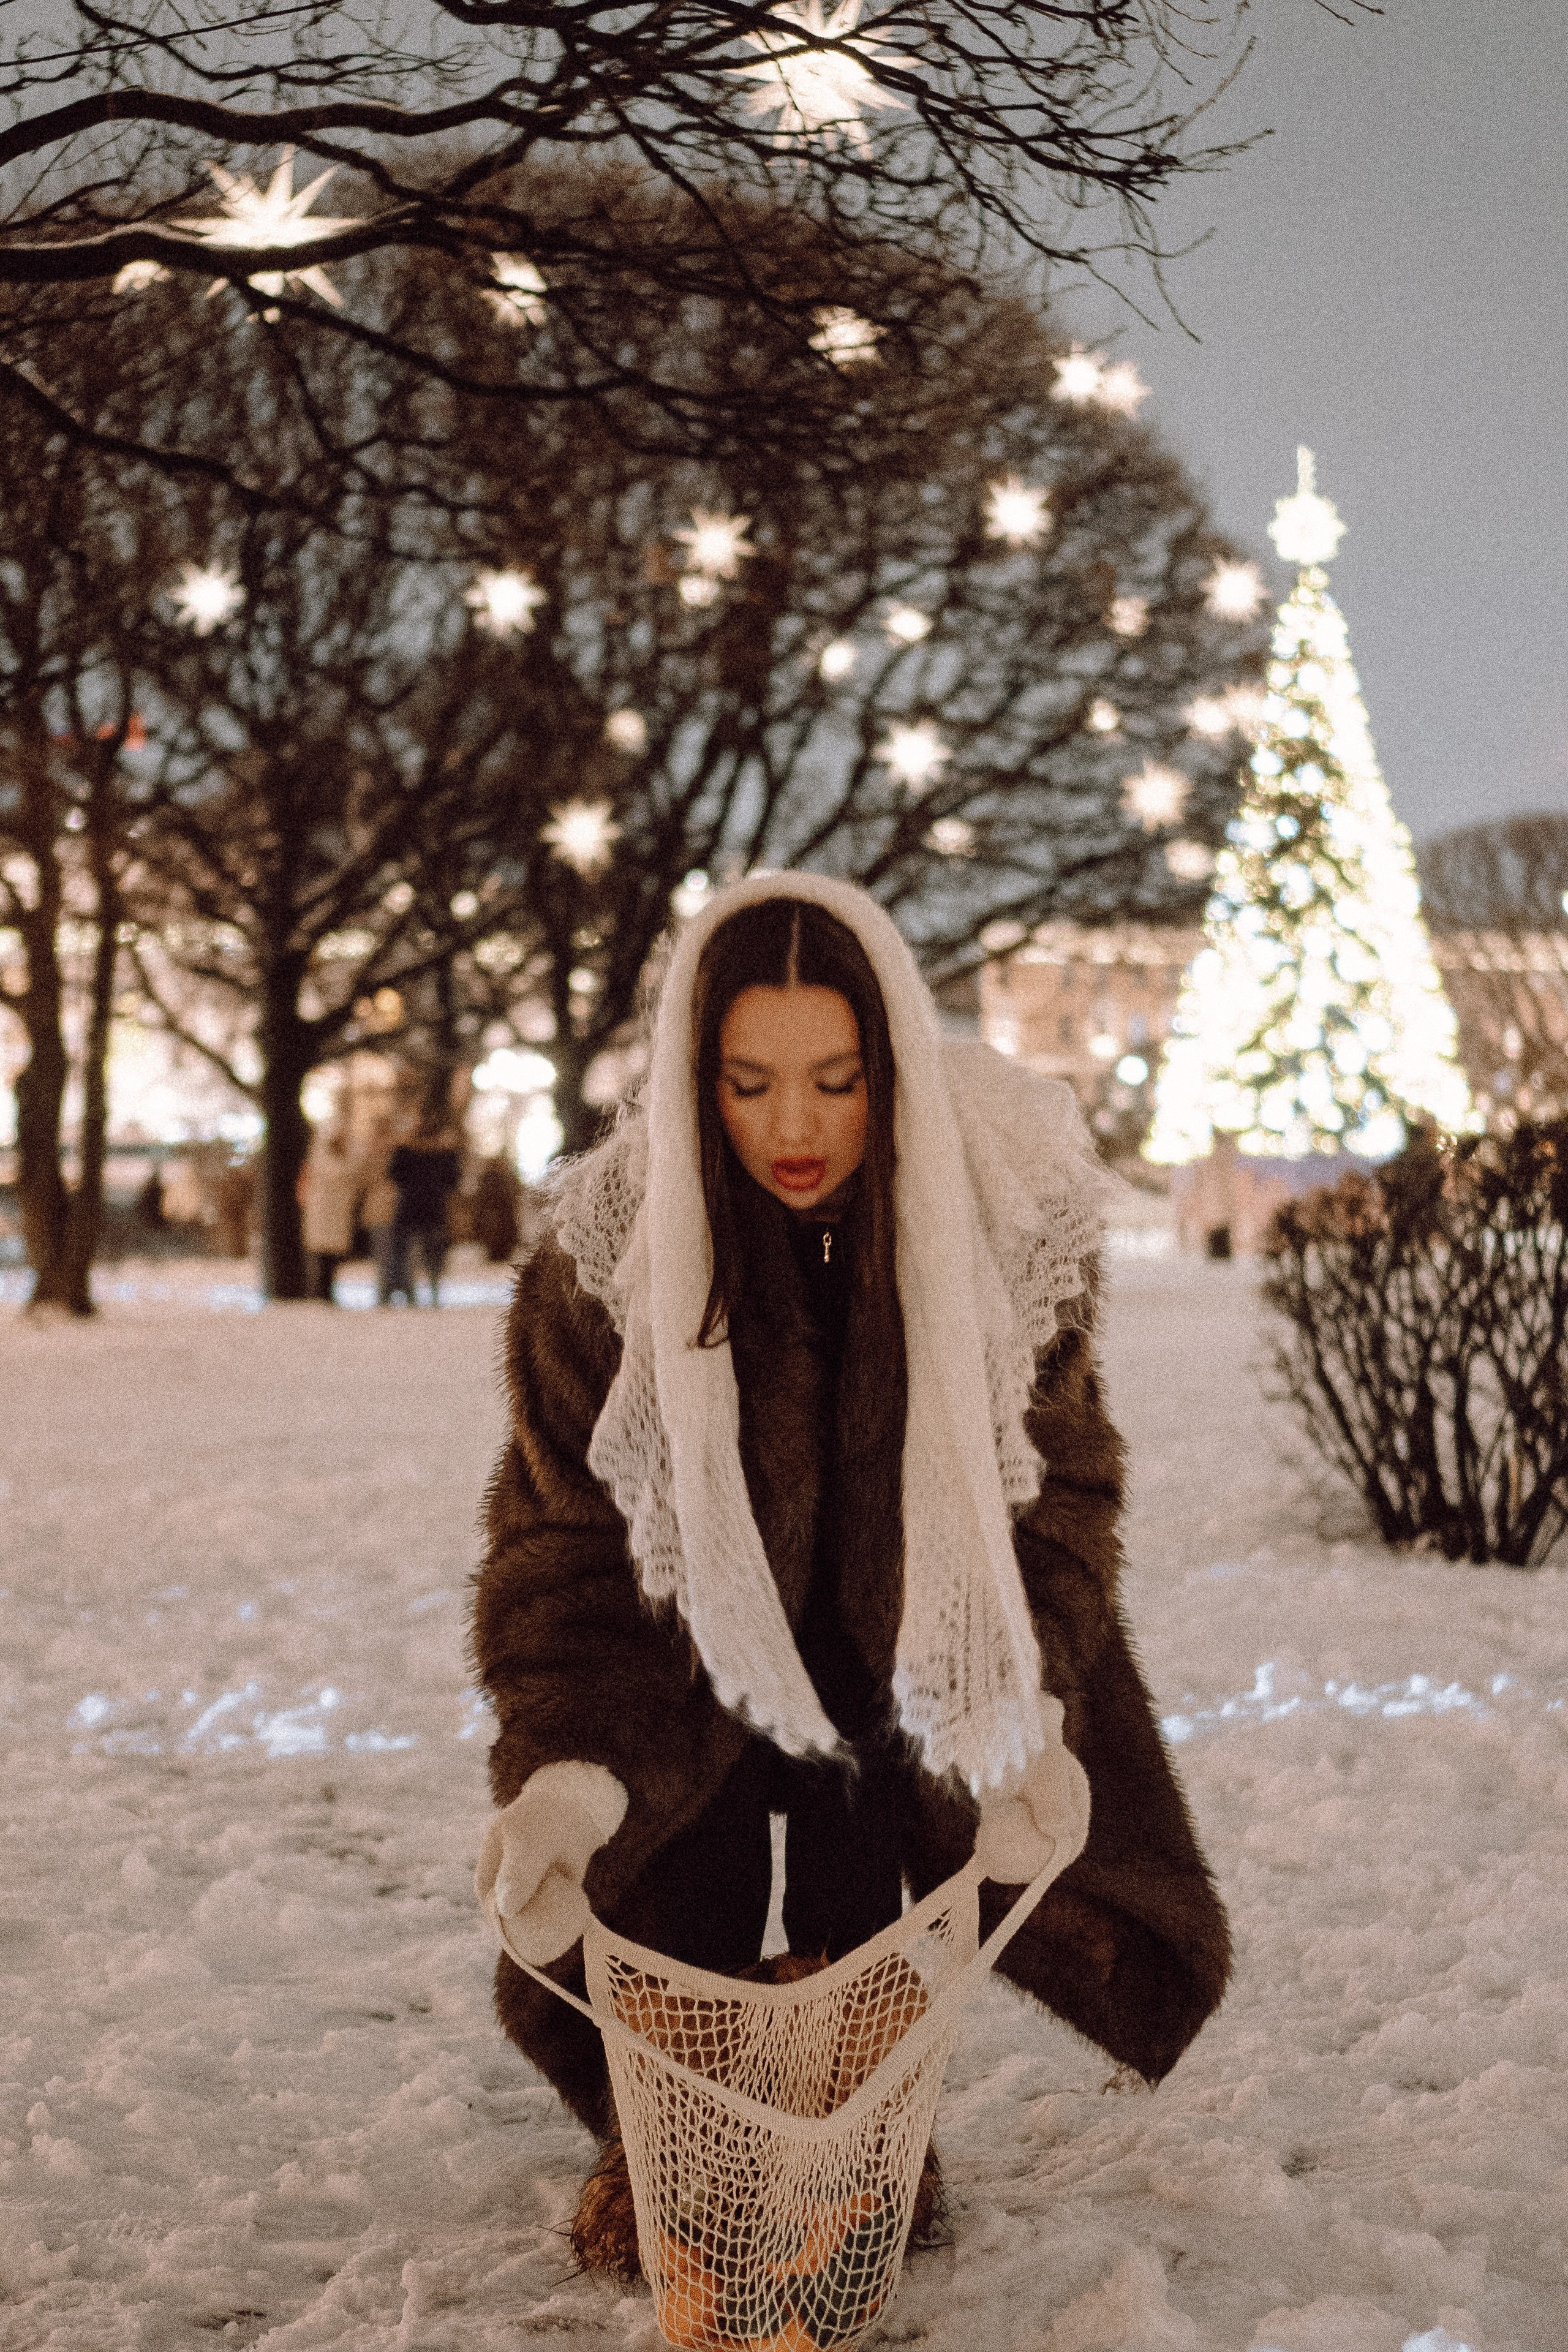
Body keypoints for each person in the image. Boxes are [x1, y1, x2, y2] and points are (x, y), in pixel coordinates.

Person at [470, 875, 1229, 2270]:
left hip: (900, 1649)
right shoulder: (606, 1264)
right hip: (681, 1649)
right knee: (674, 1887)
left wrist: (1018, 1710)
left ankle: (864, 2139)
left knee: (861, 1900)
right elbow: (570, 1546)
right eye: (749, 1083)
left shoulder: (993, 1237)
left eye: (835, 1079)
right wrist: (569, 1773)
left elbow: (1055, 1492)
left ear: (889, 1067)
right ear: (695, 1079)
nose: (796, 1127)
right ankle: (664, 2144)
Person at [383, 1111, 462, 1304]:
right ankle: (428, 1292)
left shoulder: (406, 1153)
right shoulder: (442, 1155)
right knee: (429, 1253)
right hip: (430, 1209)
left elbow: (393, 1175)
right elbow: (453, 1181)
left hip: (412, 1209)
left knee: (412, 1252)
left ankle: (415, 1292)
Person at [297, 1122, 359, 1303]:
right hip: (323, 1213)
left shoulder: (345, 1157)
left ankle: (326, 1291)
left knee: (330, 1257)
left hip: (335, 1214)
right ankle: (319, 1292)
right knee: (321, 1256)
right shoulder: (321, 1157)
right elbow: (336, 1173)